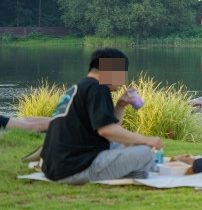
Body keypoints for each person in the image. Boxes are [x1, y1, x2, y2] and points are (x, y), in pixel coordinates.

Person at [39, 48, 163, 184]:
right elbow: (106, 131)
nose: (122, 82)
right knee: (145, 153)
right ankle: (134, 175)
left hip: (56, 167)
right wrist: (147, 140)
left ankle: (132, 171)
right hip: (74, 169)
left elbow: (109, 132)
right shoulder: (98, 88)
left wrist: (120, 105)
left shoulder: (82, 86)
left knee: (124, 146)